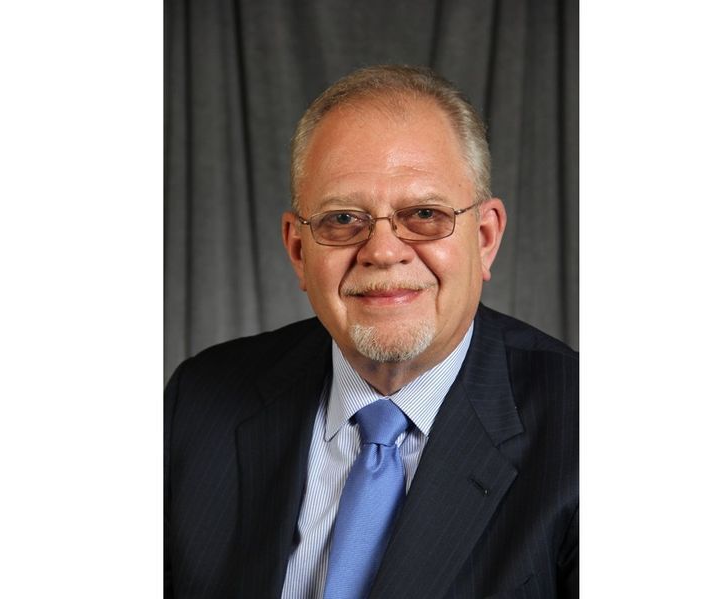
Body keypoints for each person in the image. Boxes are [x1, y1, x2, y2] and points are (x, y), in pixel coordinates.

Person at [165, 65, 578, 599]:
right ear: (297, 250)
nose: (382, 250)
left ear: (485, 238)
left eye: (425, 214)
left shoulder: (580, 424)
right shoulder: (199, 403)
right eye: (342, 219)